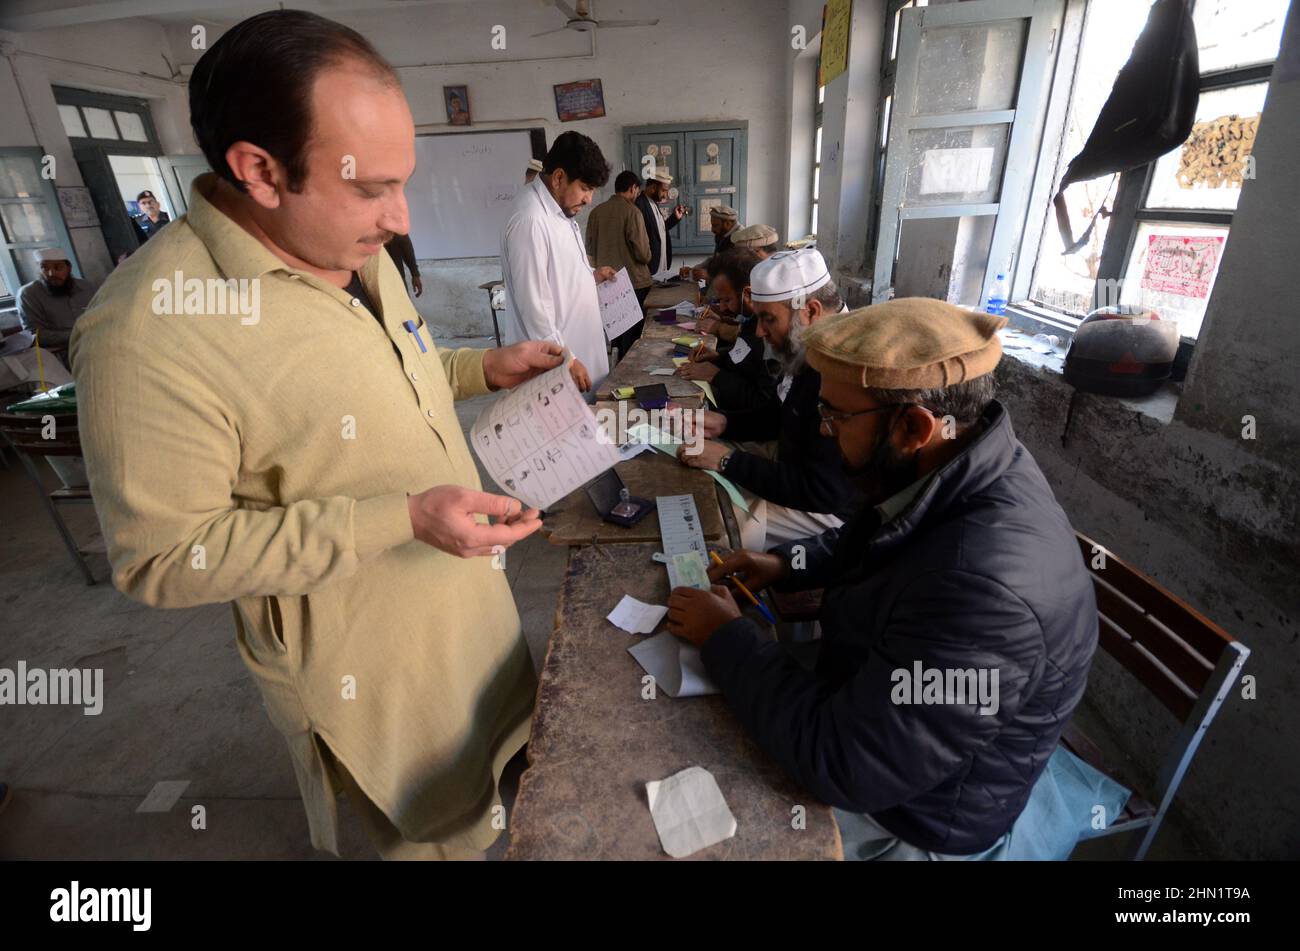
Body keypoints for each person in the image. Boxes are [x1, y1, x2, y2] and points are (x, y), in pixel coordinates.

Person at [71, 9, 565, 861]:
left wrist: (481, 368)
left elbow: (383, 368)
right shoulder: (150, 329)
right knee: (437, 835)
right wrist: (401, 519)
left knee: (513, 784)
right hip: (374, 674)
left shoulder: (349, 248)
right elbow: (160, 557)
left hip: (471, 615)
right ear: (260, 170)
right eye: (372, 188)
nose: (400, 218)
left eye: (400, 183)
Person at [666, 299, 1098, 860]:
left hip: (914, 815)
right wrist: (785, 564)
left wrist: (725, 636)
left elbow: (847, 762)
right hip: (878, 713)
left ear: (913, 426)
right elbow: (881, 535)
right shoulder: (963, 463)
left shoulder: (985, 594)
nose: (824, 434)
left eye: (835, 419)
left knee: (692, 811)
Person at [677, 247, 859, 551]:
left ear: (810, 311)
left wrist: (727, 460)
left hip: (828, 510)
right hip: (794, 467)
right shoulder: (811, 341)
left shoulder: (844, 368)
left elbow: (823, 490)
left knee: (707, 528)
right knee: (690, 455)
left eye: (768, 319)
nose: (759, 331)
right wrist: (725, 423)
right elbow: (782, 413)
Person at [500, 131, 615, 393]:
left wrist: (592, 277)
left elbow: (558, 274)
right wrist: (565, 359)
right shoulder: (530, 219)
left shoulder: (558, 211)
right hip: (558, 370)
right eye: (585, 188)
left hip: (579, 359)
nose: (589, 199)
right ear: (559, 178)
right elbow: (535, 305)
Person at [674, 248, 777, 414]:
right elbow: (745, 359)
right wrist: (719, 358)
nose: (722, 307)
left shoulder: (769, 334)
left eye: (727, 300)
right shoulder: (750, 321)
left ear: (749, 294)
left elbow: (764, 406)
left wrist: (717, 376)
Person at [585, 170, 652, 360]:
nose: (637, 195)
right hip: (633, 284)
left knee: (615, 336)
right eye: (637, 191)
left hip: (605, 284)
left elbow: (589, 253)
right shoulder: (633, 212)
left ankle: (615, 375)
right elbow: (643, 254)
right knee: (633, 339)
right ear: (633, 189)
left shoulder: (596, 212)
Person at [16, 247, 98, 361]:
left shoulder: (87, 287)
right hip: (60, 355)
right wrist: (77, 335)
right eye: (45, 268)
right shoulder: (28, 294)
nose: (51, 273)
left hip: (97, 345)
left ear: (69, 268)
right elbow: (35, 335)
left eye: (58, 267)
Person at [636, 167, 688, 279]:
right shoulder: (640, 205)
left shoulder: (653, 203)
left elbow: (659, 230)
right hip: (650, 269)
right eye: (664, 190)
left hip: (660, 266)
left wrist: (674, 218)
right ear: (653, 187)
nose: (665, 195)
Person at [691, 204, 740, 280]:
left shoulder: (740, 239)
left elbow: (736, 273)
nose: (712, 230)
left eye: (715, 225)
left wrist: (709, 275)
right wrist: (695, 269)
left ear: (727, 223)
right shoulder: (724, 234)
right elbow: (717, 259)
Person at [384, 233, 423, 297]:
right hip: (371, 279)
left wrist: (415, 274)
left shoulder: (395, 227)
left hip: (397, 276)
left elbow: (405, 243)